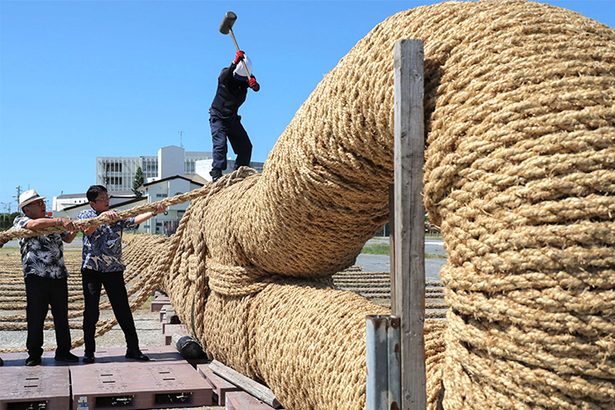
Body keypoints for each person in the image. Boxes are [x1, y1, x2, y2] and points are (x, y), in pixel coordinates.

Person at [78, 185, 166, 363]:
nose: (107, 201)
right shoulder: (85, 215)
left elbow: (134, 221)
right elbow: (87, 230)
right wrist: (102, 218)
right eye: (103, 199)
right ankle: (89, 351)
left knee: (122, 309)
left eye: (107, 197)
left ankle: (133, 349)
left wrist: (154, 212)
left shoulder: (116, 216)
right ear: (92, 203)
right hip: (92, 270)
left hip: (114, 269)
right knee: (91, 312)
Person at [13, 189, 79, 366]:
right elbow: (34, 226)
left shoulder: (52, 223)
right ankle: (34, 354)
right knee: (36, 316)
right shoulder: (21, 221)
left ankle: (64, 351)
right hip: (37, 277)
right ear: (26, 209)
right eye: (38, 203)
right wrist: (59, 220)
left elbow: (68, 239)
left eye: (42, 202)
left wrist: (76, 228)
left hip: (58, 275)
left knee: (61, 316)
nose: (43, 205)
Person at [209, 49, 260, 181]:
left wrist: (255, 86)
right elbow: (223, 76)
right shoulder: (226, 77)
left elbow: (256, 87)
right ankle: (216, 173)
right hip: (218, 116)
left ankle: (240, 171)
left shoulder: (245, 81)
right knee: (220, 145)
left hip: (232, 118)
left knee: (246, 146)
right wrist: (234, 62)